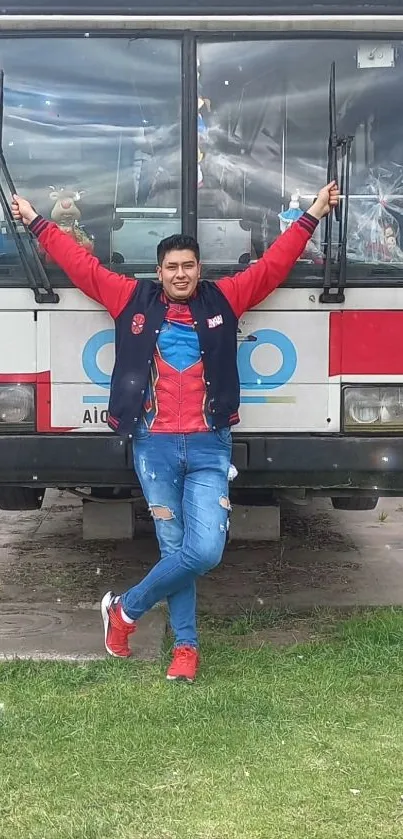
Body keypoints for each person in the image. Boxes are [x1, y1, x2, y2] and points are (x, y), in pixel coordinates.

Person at [12, 182, 339, 682]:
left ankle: (124, 609)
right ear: (159, 271)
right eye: (172, 267)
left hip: (210, 445)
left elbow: (274, 263)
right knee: (174, 549)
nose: (181, 274)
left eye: (189, 266)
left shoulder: (225, 299)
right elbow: (80, 265)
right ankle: (185, 649)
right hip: (154, 446)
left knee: (203, 551)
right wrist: (37, 221)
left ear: (199, 270)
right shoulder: (131, 298)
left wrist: (313, 212)